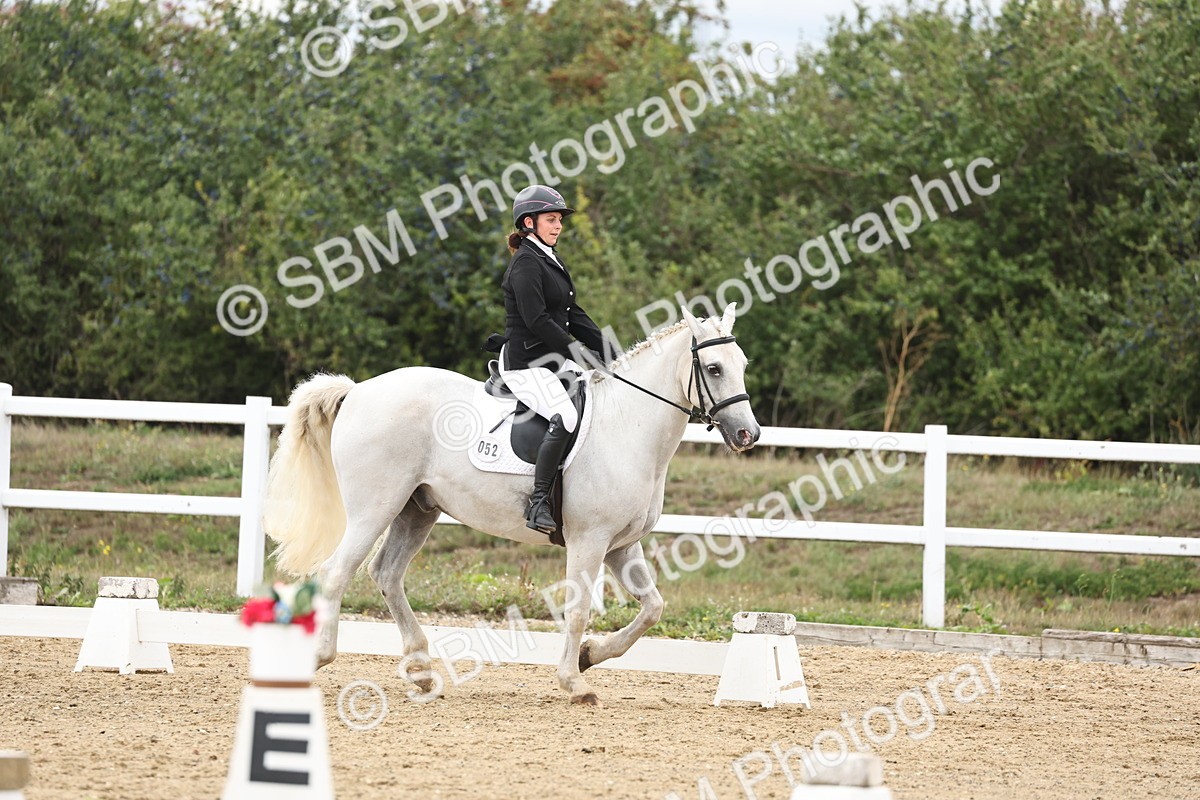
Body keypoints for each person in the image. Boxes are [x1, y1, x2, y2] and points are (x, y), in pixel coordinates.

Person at [496, 184, 608, 534]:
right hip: (525, 364)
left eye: (559, 219)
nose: (558, 226)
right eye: (551, 219)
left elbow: (573, 312)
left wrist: (612, 353)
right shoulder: (526, 263)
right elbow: (536, 320)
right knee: (566, 416)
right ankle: (539, 500)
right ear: (529, 222)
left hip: (551, 360)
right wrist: (577, 351)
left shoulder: (549, 258)